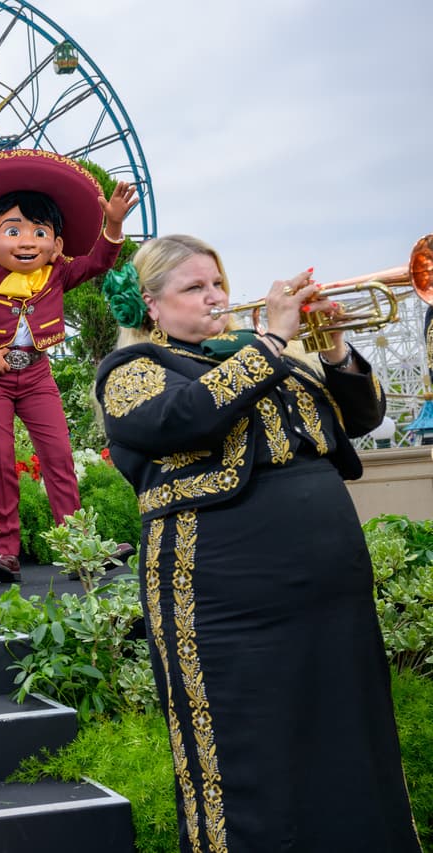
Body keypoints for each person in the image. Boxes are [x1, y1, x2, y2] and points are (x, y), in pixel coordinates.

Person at [95, 236, 420, 851]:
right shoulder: (134, 371)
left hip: (329, 588)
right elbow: (183, 418)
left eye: (217, 282)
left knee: (349, 732)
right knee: (246, 746)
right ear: (151, 305)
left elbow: (360, 419)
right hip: (226, 591)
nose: (214, 296)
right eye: (194, 287)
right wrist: (272, 339)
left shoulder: (255, 353)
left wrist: (333, 345)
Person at [0, 149, 138, 583]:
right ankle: (7, 552)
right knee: (1, 462)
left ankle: (79, 548)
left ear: (56, 245)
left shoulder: (58, 272)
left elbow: (100, 262)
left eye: (39, 232)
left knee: (59, 456)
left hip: (37, 375)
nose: (27, 241)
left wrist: (114, 226)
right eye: (13, 230)